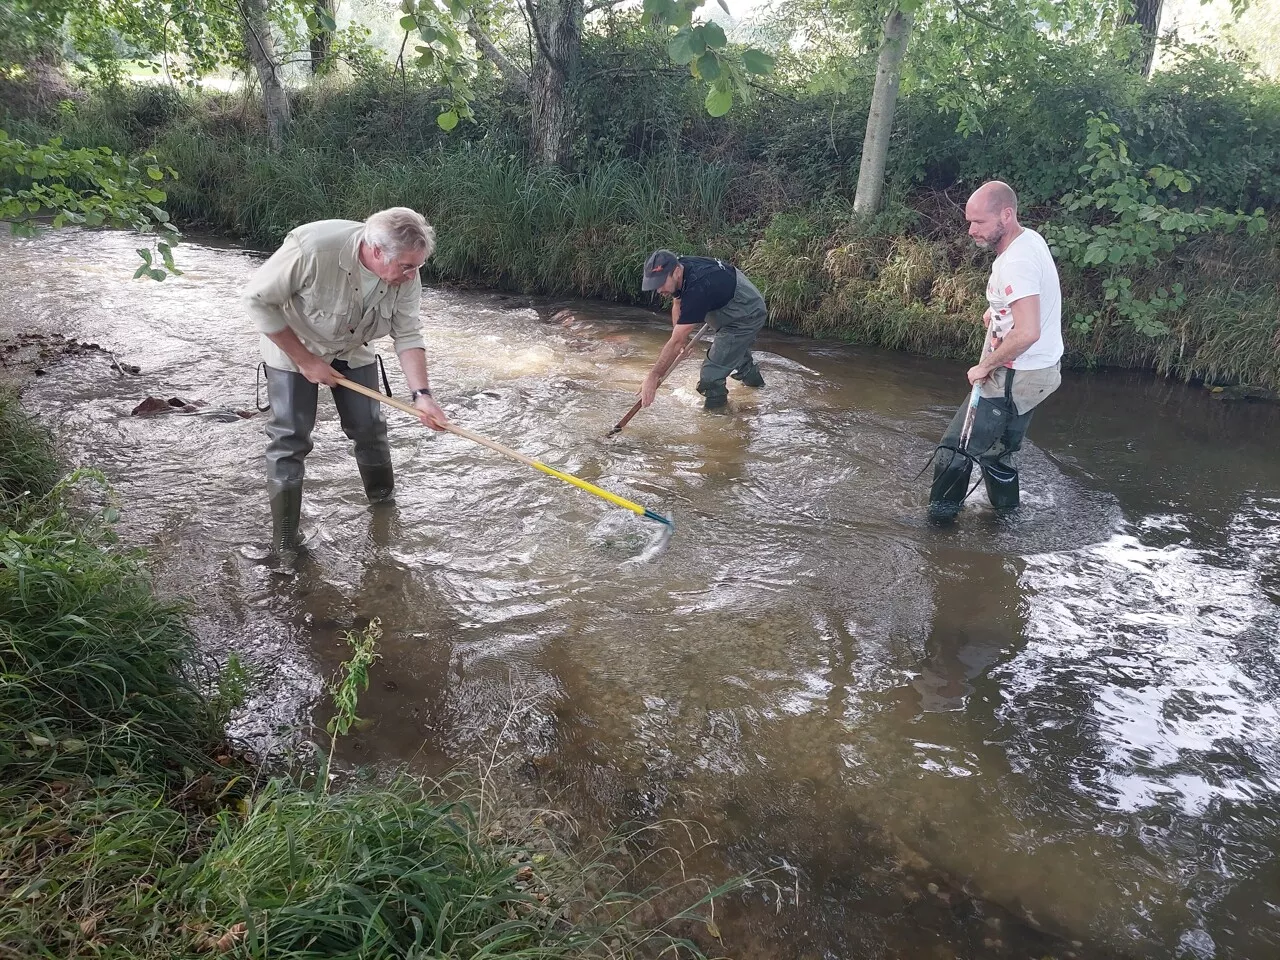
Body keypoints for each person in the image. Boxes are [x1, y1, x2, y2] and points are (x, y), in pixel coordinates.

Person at [243, 207, 450, 555]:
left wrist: (422, 395)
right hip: (295, 345)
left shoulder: (407, 274)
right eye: (406, 267)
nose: (413, 275)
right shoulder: (312, 249)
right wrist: (306, 361)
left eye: (418, 266)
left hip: (354, 346)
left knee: (369, 427)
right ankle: (284, 542)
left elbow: (408, 333)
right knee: (290, 437)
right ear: (376, 251)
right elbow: (257, 302)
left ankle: (384, 510)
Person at [928, 181, 1063, 521]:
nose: (971, 230)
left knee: (954, 452)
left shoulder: (1015, 262)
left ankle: (937, 531)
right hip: (1040, 372)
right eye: (969, 221)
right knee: (996, 453)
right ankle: (1006, 522)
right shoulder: (1029, 240)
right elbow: (1032, 302)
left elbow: (1028, 331)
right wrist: (1000, 311)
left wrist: (984, 366)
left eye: (980, 222)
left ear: (1007, 214)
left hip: (1017, 374)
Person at [638, 250, 768, 411]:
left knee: (711, 376)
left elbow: (677, 339)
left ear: (676, 272)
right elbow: (677, 302)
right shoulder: (679, 265)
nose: (658, 290)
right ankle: (759, 390)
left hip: (745, 313)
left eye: (660, 283)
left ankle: (717, 420)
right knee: (734, 354)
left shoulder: (697, 289)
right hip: (724, 298)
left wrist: (653, 376)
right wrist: (680, 342)